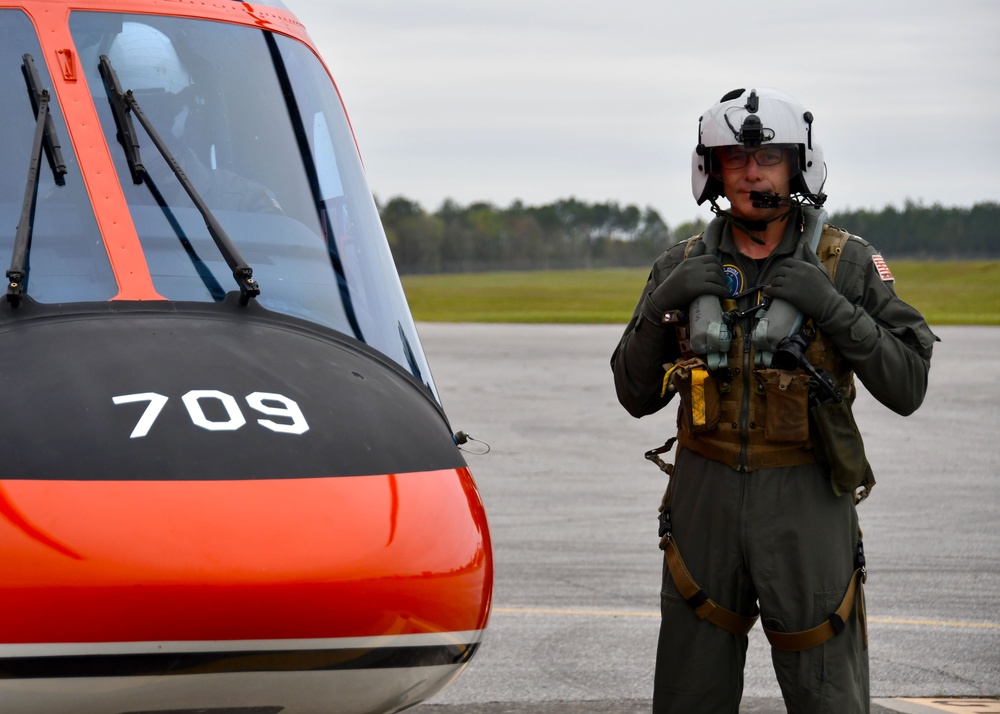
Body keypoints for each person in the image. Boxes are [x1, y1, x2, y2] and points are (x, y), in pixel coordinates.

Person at [610, 88, 937, 714]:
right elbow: (632, 394)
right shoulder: (678, 265)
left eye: (768, 158)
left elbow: (908, 386)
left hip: (806, 498)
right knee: (688, 691)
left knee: (827, 692)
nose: (752, 173)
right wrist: (659, 309)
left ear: (798, 167)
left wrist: (834, 309)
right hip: (703, 499)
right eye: (736, 159)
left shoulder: (847, 264)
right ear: (713, 171)